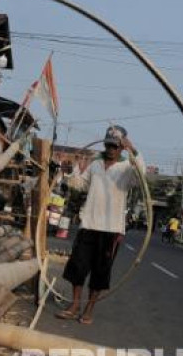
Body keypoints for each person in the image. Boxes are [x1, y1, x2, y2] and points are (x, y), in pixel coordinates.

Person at [56, 125, 145, 324]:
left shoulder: (127, 169)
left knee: (100, 271)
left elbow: (141, 175)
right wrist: (71, 172)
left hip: (111, 230)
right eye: (108, 145)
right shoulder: (96, 164)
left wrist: (133, 149)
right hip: (89, 224)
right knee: (77, 266)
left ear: (121, 148)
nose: (111, 149)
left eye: (115, 146)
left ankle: (89, 309)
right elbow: (80, 185)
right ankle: (75, 304)